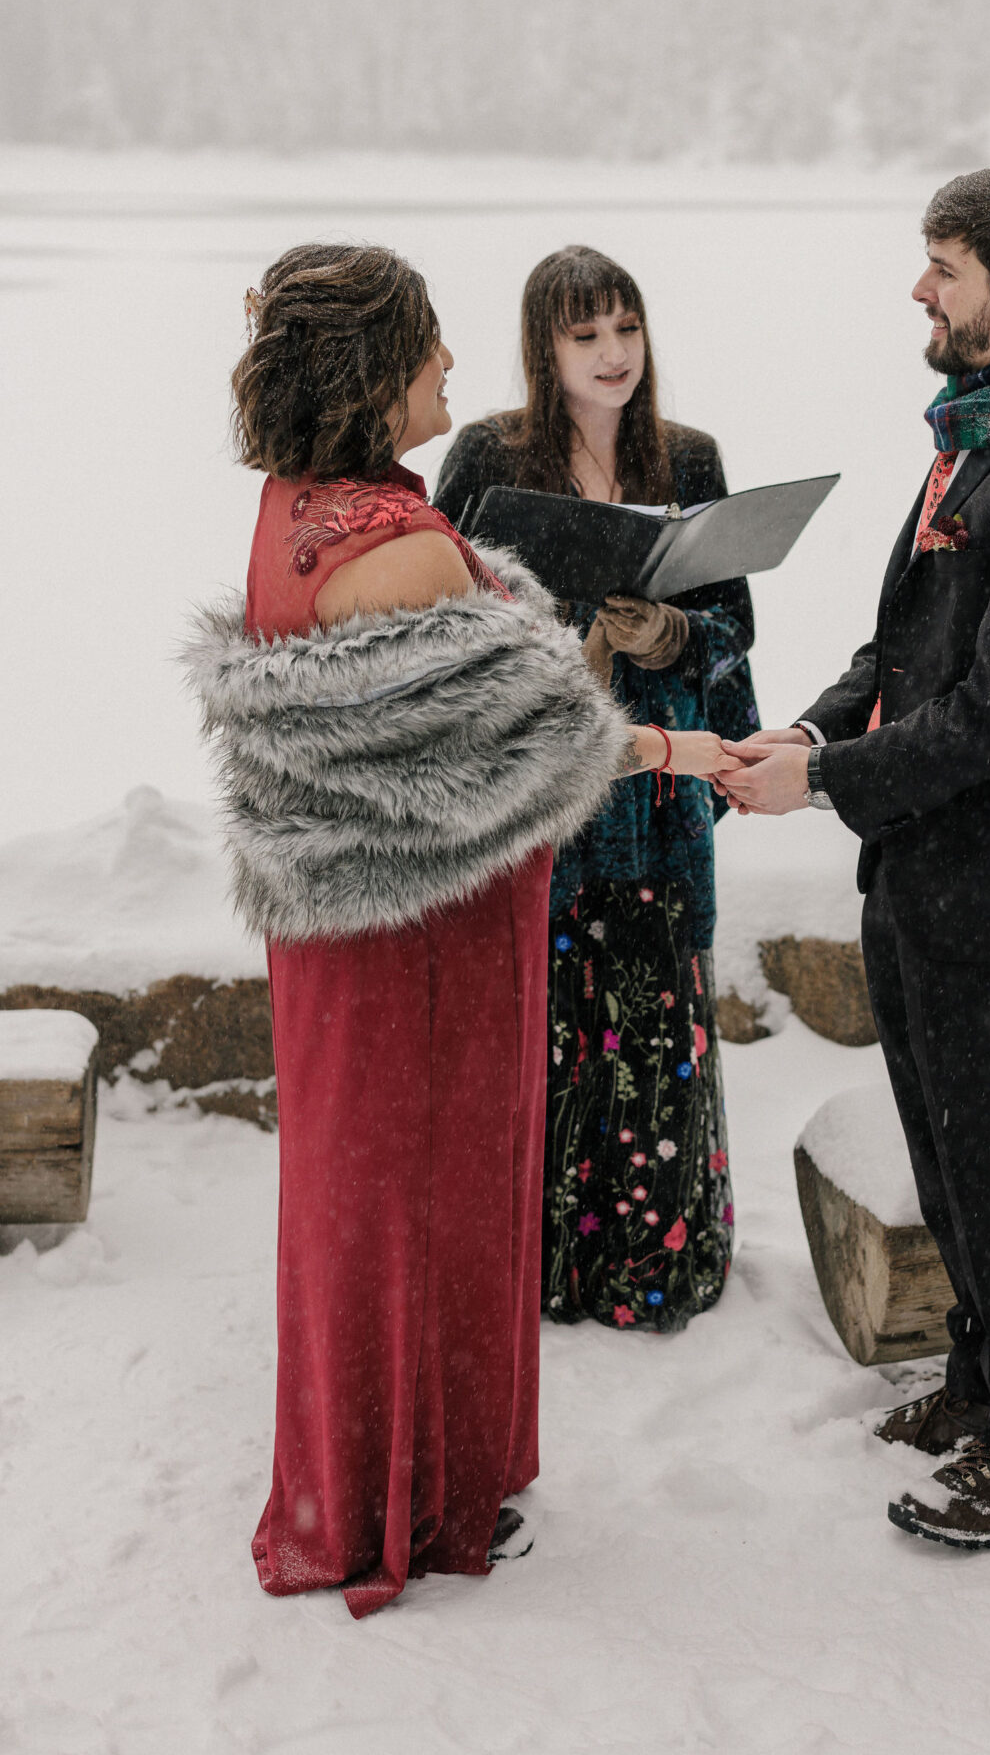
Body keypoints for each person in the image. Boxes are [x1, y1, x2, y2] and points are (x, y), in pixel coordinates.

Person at [183, 244, 725, 1618]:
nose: (445, 368)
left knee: (355, 1211)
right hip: (435, 945)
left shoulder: (298, 506)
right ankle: (419, 1500)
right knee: (438, 1208)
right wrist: (687, 748)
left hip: (340, 924)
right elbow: (540, 754)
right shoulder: (412, 550)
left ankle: (362, 1473)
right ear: (373, 375)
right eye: (426, 346)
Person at [715, 167, 990, 1549]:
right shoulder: (980, 432)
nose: (919, 288)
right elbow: (905, 654)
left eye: (943, 267)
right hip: (921, 861)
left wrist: (823, 781)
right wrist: (813, 723)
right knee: (946, 1145)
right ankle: (982, 1381)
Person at [434, 245, 759, 1334]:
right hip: (544, 788)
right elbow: (438, 612)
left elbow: (736, 629)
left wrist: (673, 630)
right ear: (544, 347)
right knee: (542, 1022)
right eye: (586, 336)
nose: (614, 354)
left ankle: (653, 1268)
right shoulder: (489, 452)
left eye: (626, 329)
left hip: (657, 795)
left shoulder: (690, 456)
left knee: (655, 1019)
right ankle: (536, 1268)